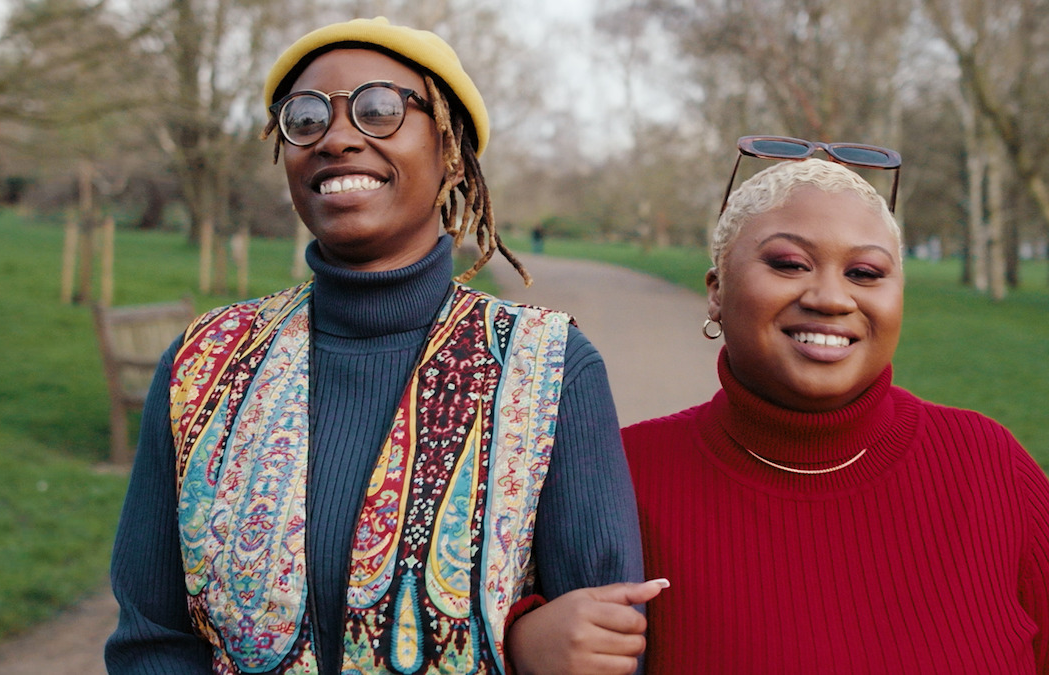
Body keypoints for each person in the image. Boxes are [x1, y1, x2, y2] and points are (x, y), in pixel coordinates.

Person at [104, 17, 645, 674]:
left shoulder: (548, 369)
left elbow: (608, 644)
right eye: (304, 119)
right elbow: (152, 639)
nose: (336, 138)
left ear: (449, 150)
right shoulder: (203, 365)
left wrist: (521, 650)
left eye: (380, 109)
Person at [520, 149, 1049, 673]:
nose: (831, 298)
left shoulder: (991, 467)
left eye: (865, 272)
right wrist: (521, 645)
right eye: (790, 264)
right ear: (716, 292)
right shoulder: (621, 476)